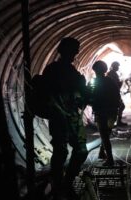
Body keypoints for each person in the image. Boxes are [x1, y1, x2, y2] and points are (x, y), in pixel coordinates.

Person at [42, 37, 89, 200]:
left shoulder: (72, 70)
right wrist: (59, 112)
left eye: (76, 50)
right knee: (60, 152)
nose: (76, 53)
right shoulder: (52, 70)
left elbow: (80, 94)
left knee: (81, 151)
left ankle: (66, 184)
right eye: (73, 50)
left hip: (73, 117)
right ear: (63, 50)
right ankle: (58, 186)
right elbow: (48, 95)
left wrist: (83, 92)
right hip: (59, 117)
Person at [88, 60, 120, 166]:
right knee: (107, 134)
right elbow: (117, 95)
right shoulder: (110, 81)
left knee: (104, 135)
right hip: (111, 111)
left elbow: (89, 98)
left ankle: (110, 159)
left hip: (101, 112)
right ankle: (102, 153)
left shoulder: (93, 82)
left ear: (95, 70)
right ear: (105, 70)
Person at [106, 61, 127, 126]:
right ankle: (114, 122)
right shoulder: (112, 74)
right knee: (120, 106)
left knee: (120, 106)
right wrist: (121, 82)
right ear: (113, 67)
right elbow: (115, 85)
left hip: (112, 93)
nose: (118, 67)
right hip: (113, 94)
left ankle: (115, 122)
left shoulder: (111, 73)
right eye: (117, 66)